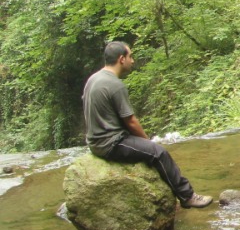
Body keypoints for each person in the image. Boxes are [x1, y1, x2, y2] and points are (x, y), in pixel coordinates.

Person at [82, 41, 212, 208]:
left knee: (153, 150)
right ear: (121, 59)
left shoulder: (93, 79)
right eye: (130, 56)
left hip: (95, 142)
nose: (133, 60)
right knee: (159, 153)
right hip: (110, 143)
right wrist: (148, 143)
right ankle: (187, 196)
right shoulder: (115, 85)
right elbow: (131, 121)